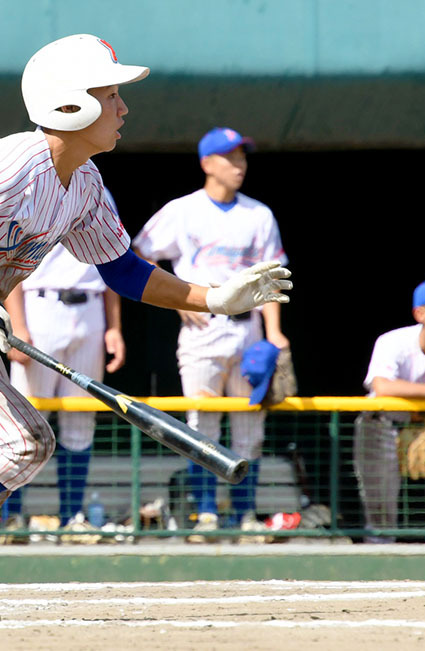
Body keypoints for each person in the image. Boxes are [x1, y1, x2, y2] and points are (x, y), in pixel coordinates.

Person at [0, 34, 291, 621]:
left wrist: (213, 298)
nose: (124, 108)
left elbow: (125, 272)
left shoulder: (84, 184)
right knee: (20, 442)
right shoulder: (8, 162)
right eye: (111, 95)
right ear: (70, 104)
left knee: (6, 468)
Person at [132, 126, 289, 541]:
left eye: (242, 157)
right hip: (204, 329)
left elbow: (273, 278)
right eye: (230, 157)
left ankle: (246, 515)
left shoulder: (258, 214)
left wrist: (275, 333)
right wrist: (180, 300)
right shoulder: (183, 210)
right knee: (203, 424)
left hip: (249, 330)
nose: (239, 165)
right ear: (207, 163)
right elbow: (139, 253)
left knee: (249, 429)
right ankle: (205, 514)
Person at [0, 214, 127, 539]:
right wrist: (18, 325)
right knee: (25, 423)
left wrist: (114, 327)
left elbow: (111, 261)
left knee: (81, 422)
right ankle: (11, 518)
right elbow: (9, 264)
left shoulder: (98, 194)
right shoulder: (33, 191)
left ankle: (73, 517)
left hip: (90, 308)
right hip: (41, 306)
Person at [354, 277, 425, 544]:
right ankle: (377, 565)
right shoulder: (393, 341)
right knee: (381, 522)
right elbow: (382, 386)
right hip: (382, 428)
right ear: (420, 313)